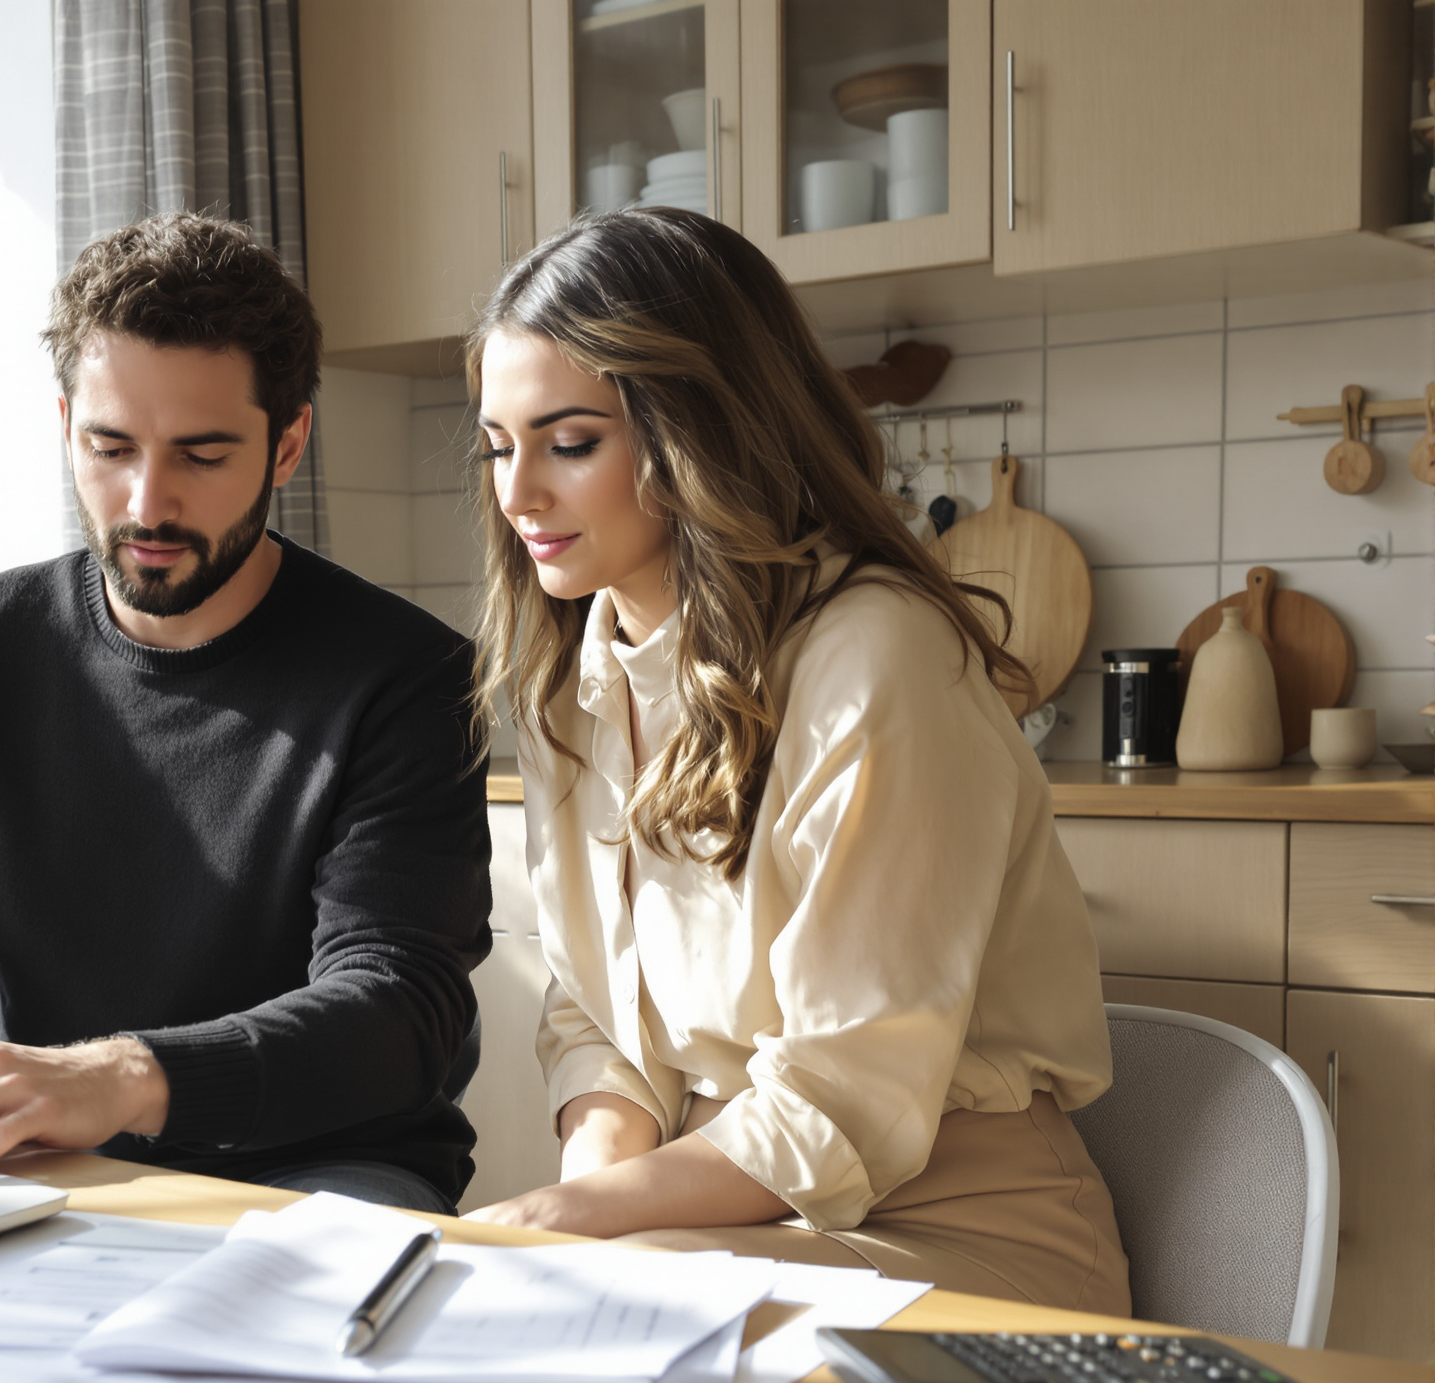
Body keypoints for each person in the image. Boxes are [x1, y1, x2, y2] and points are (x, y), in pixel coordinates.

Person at [462, 208, 1129, 1316]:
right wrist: (592, 1205)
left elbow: (840, 1096)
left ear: (700, 428)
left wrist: (562, 1223)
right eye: (498, 444)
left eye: (569, 442)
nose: (518, 493)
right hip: (717, 1219)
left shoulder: (877, 654)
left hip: (963, 1238)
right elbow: (595, 1022)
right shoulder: (567, 681)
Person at [0, 212, 490, 1214]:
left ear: (288, 445)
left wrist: (112, 1081)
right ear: (65, 423)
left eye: (202, 454)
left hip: (312, 1158)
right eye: (111, 447)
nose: (148, 503)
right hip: (43, 1139)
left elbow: (397, 1008)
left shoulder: (406, 679)